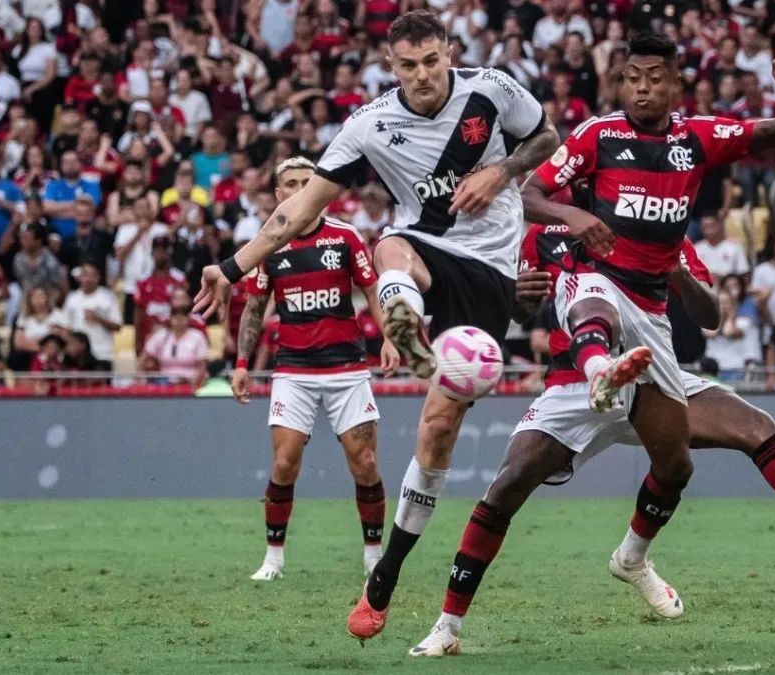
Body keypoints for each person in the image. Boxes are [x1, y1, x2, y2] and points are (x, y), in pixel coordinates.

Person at [193, 12, 559, 633]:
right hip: (421, 247)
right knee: (390, 246)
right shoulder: (369, 125)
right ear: (392, 66)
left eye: (431, 62)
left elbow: (548, 136)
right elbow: (295, 211)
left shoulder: (492, 89)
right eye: (408, 66)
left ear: (449, 53)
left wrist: (502, 171)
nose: (421, 76)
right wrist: (229, 268)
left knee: (437, 433)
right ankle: (406, 328)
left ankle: (386, 570)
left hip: (492, 268)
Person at [405, 223, 775, 657]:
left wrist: (673, 267)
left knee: (747, 430)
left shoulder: (667, 233)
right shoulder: (547, 233)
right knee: (507, 487)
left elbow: (712, 317)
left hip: (653, 375)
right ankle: (448, 627)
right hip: (573, 385)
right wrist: (518, 299)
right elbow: (519, 312)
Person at [231, 157, 396, 581]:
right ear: (279, 194)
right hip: (294, 371)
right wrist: (241, 364)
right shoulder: (269, 244)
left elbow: (371, 291)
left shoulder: (345, 236)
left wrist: (391, 337)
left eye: (309, 181)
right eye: (292, 183)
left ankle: (373, 555)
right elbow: (254, 308)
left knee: (366, 463)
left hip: (347, 370)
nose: (302, 188)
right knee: (284, 463)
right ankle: (273, 559)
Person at [61, 263, 121, 369]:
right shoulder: (71, 298)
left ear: (97, 278)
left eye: (91, 275)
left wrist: (98, 318)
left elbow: (117, 326)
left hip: (102, 354)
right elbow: (66, 327)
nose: (87, 279)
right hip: (78, 356)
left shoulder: (108, 297)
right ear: (79, 277)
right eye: (85, 274)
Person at [139, 301, 209, 387]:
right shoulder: (161, 335)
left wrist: (195, 384)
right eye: (175, 317)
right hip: (164, 382)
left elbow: (202, 365)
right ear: (170, 319)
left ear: (188, 319)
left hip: (189, 382)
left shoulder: (197, 337)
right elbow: (143, 358)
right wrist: (137, 379)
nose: (178, 320)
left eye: (182, 317)